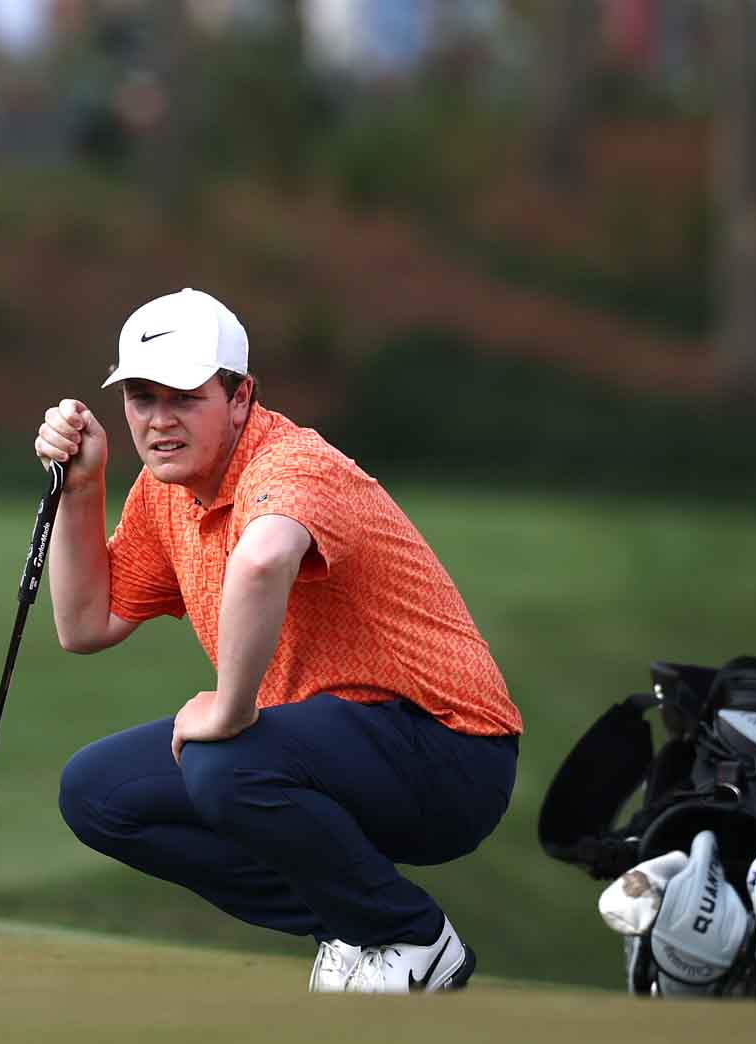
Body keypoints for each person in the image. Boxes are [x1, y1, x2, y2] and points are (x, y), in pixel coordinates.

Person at [32, 287, 523, 993]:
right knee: (98, 794)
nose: (159, 421)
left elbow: (263, 559)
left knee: (224, 762)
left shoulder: (294, 464)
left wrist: (230, 709)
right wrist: (82, 488)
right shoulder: (164, 491)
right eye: (142, 398)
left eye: (185, 398)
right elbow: (84, 625)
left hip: (450, 752)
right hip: (328, 755)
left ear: (240, 398)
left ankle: (410, 937)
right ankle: (354, 925)